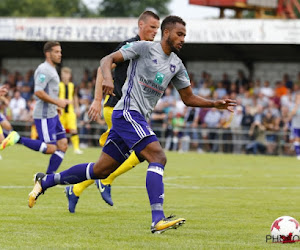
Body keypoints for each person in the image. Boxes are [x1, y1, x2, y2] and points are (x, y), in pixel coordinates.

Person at [28, 16, 236, 234]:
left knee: (101, 169)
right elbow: (106, 60)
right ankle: (157, 219)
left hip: (133, 118)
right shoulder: (143, 48)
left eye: (185, 35)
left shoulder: (177, 64)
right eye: (179, 34)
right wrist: (107, 79)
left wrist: (214, 104)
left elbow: (188, 97)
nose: (183, 39)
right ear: (167, 33)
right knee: (158, 157)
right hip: (127, 112)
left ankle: (45, 182)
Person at [65, 10, 160, 212]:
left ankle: (76, 189)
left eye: (157, 29)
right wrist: (97, 100)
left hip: (130, 111)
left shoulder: (149, 50)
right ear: (140, 25)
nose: (154, 32)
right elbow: (102, 68)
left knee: (109, 161)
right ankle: (106, 180)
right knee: (146, 152)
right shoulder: (130, 45)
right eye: (152, 27)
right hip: (117, 108)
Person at [0, 41, 69, 174]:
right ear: (48, 54)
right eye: (56, 52)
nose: (60, 54)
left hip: (52, 113)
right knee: (50, 148)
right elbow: (38, 91)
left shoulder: (52, 68)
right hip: (44, 115)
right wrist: (56, 101)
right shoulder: (44, 69)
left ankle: (48, 178)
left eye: (60, 51)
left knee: (63, 145)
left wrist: (56, 105)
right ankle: (16, 138)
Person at [59, 67, 83, 154]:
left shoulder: (72, 85)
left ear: (69, 75)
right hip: (60, 111)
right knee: (59, 130)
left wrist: (77, 108)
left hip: (70, 111)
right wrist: (61, 101)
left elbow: (75, 97)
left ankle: (76, 148)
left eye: (67, 74)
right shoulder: (58, 85)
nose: (65, 76)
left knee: (73, 129)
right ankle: (59, 147)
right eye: (64, 74)